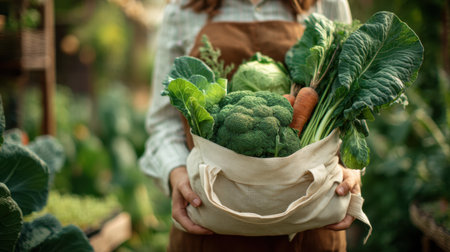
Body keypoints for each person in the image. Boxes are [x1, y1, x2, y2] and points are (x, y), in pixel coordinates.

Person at [139, 0, 361, 250]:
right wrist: (176, 172)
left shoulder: (327, 3)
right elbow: (163, 123)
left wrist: (351, 167)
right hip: (209, 225)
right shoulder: (182, 9)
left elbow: (351, 102)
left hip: (310, 226)